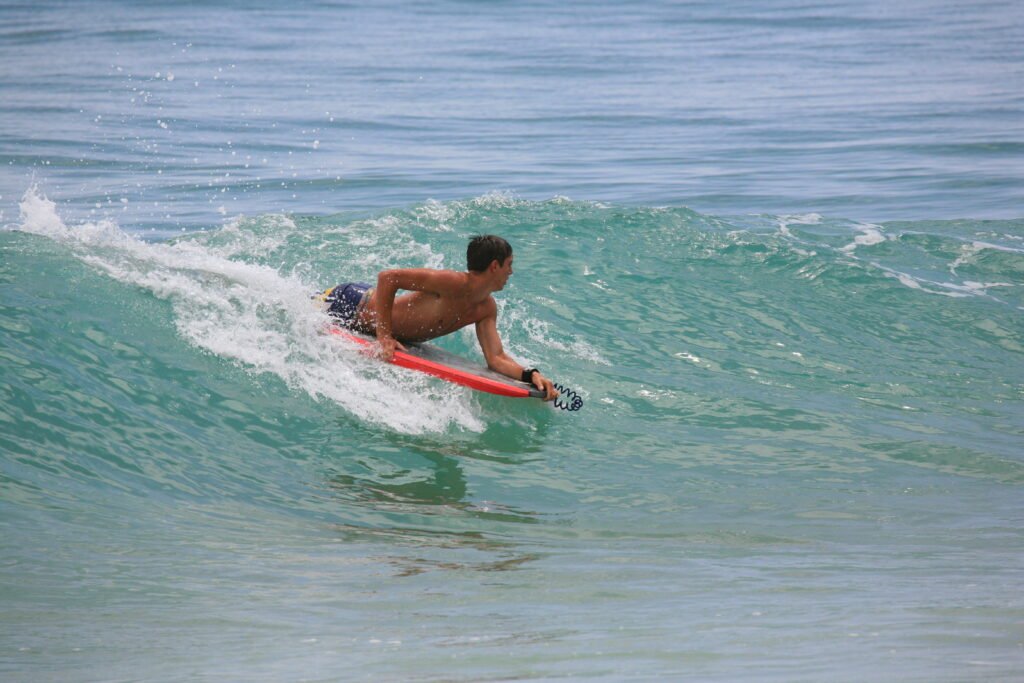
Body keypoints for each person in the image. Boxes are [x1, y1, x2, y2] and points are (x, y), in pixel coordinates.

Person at [319, 235, 559, 401]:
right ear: (494, 266)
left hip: (368, 314)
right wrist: (384, 337)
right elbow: (388, 278)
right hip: (349, 303)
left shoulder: (485, 308)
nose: (511, 272)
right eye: (509, 265)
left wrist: (531, 375)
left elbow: (496, 359)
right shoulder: (452, 283)